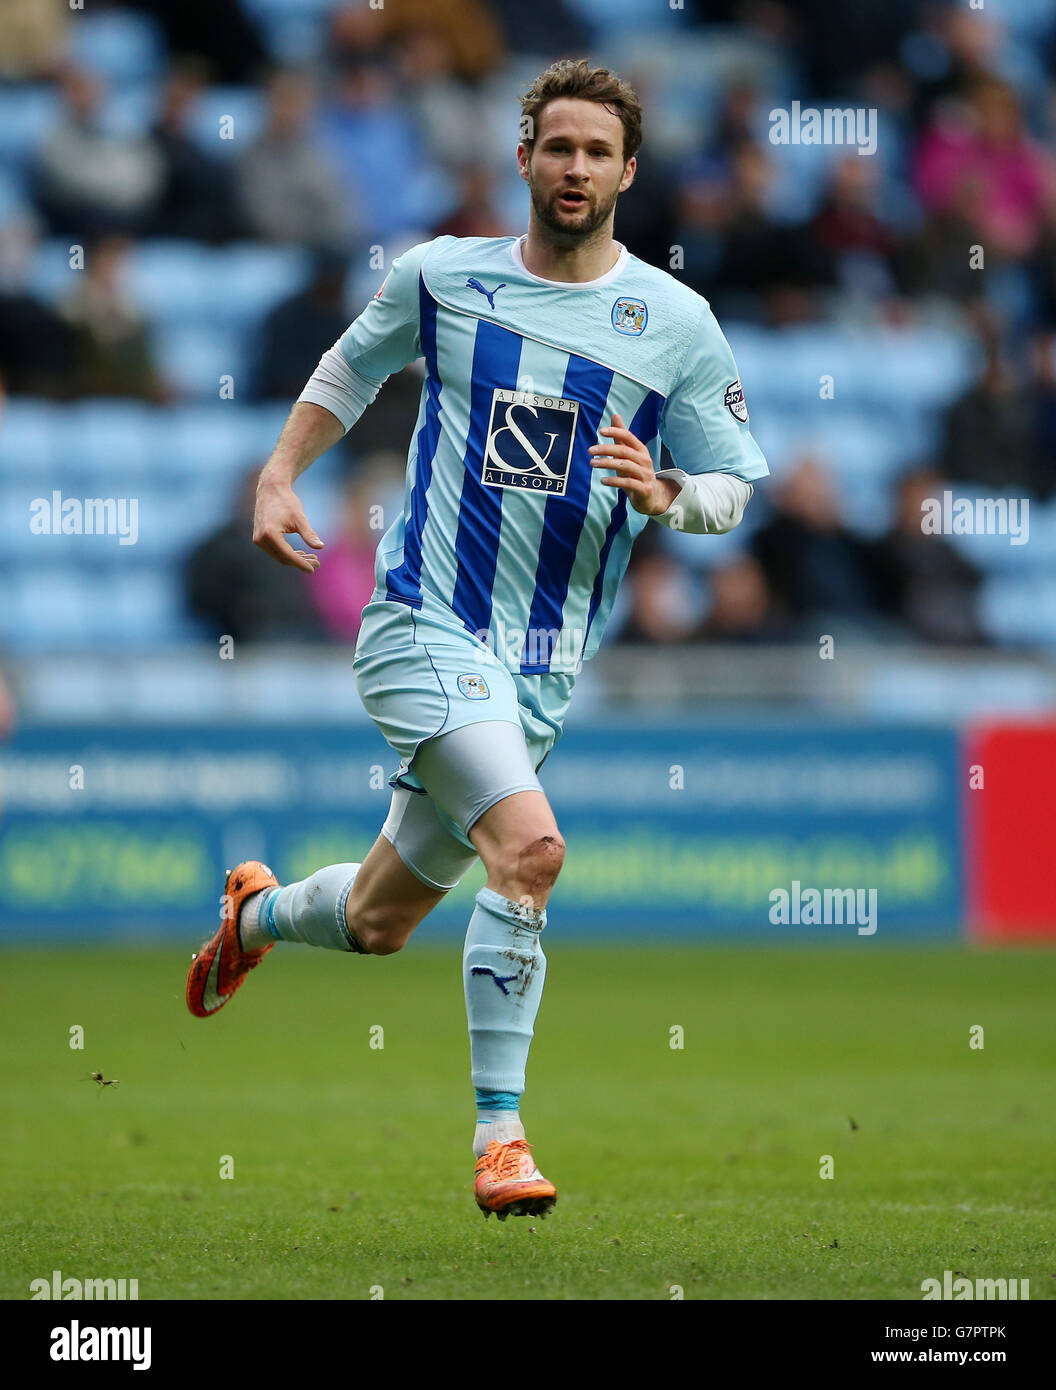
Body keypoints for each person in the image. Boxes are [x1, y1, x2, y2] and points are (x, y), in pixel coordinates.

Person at [185, 59, 769, 1221]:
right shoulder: (443, 277)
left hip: (541, 672)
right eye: (557, 147)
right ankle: (500, 1137)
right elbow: (350, 365)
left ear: (628, 171)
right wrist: (279, 473)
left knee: (377, 921)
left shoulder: (676, 324)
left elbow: (736, 487)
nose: (575, 168)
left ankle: (251, 913)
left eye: (598, 152)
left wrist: (667, 496)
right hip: (422, 623)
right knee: (533, 853)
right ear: (525, 158)